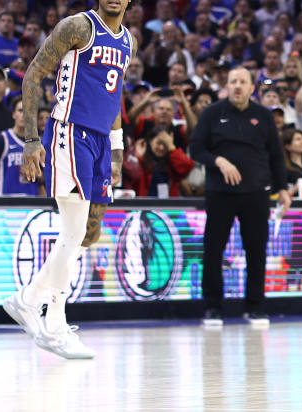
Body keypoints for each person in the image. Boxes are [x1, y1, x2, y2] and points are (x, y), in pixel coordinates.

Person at [2, 0, 146, 359]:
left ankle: (28, 298)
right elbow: (33, 75)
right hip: (68, 132)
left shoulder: (128, 41)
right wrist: (32, 140)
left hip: (100, 140)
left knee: (87, 231)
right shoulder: (78, 27)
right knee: (73, 229)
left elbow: (113, 99)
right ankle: (54, 321)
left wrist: (117, 151)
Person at [188, 67, 290, 327]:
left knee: (256, 250)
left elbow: (277, 155)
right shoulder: (212, 113)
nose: (237, 86)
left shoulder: (264, 116)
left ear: (251, 87)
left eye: (242, 82)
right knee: (213, 250)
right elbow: (196, 149)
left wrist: (284, 190)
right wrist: (219, 160)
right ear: (227, 85)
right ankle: (212, 307)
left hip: (257, 193)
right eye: (233, 81)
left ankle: (255, 306)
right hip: (220, 193)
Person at [0, 96, 40, 196]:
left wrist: (38, 175)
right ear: (14, 114)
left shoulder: (41, 144)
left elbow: (46, 179)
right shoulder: (1, 140)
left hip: (32, 204)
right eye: (21, 110)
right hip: (5, 203)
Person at [122, 125, 196, 198]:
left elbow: (187, 167)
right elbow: (132, 178)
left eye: (165, 144)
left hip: (169, 206)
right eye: (158, 143)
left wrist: (172, 147)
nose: (161, 148)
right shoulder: (141, 158)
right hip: (144, 204)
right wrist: (137, 158)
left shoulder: (173, 159)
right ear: (150, 141)